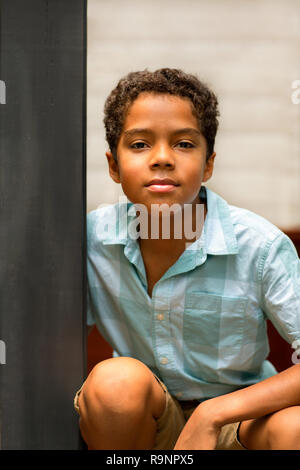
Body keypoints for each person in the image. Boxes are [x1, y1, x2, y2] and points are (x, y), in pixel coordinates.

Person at [74, 68, 300, 450]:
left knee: (295, 427)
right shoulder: (91, 238)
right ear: (114, 166)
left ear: (208, 163)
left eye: (183, 144)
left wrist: (212, 415)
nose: (162, 158)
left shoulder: (260, 246)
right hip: (146, 422)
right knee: (115, 383)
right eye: (140, 144)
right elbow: (41, 341)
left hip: (238, 422)